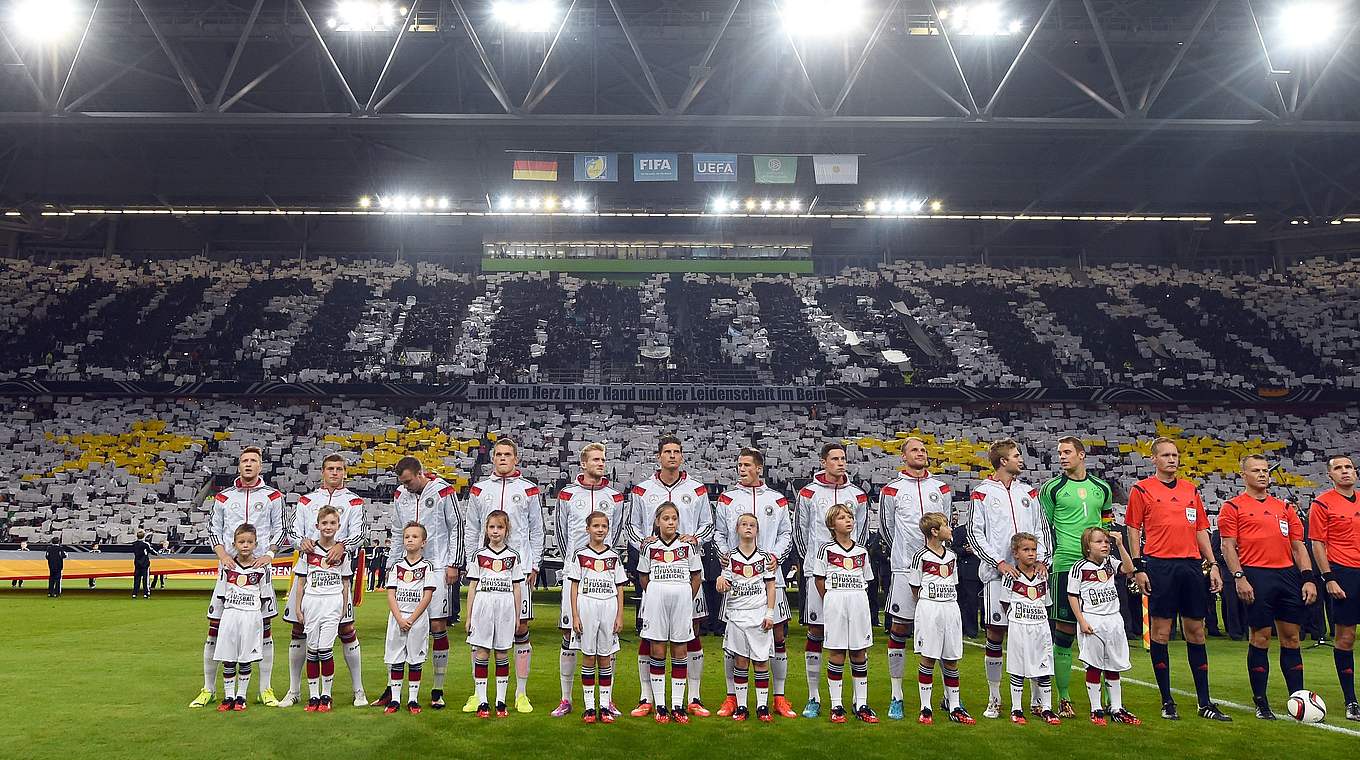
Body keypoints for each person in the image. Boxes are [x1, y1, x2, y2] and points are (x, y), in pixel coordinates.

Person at [1125, 437, 1231, 721]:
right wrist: (1138, 567)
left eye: (1175, 455)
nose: (1172, 459)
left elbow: (1200, 529)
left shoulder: (1190, 490)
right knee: (1161, 632)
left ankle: (1204, 702)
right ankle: (1167, 700)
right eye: (1166, 455)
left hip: (1191, 566)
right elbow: (1133, 529)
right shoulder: (1141, 490)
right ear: (1154, 459)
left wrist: (1213, 563)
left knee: (1196, 631)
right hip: (1159, 565)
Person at [1219, 454, 1318, 720]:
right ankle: (1261, 702)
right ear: (1244, 476)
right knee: (1260, 637)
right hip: (1256, 575)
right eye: (1256, 471)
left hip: (1286, 576)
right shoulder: (1233, 507)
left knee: (1292, 638)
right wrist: (1239, 576)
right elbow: (1228, 545)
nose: (1263, 474)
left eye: (1265, 470)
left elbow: (1299, 546)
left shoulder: (1284, 507)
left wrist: (1308, 577)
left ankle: (1298, 698)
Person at [625, 435, 714, 719]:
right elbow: (631, 527)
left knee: (691, 633)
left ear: (682, 456)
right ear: (659, 456)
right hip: (657, 574)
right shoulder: (642, 490)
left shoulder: (697, 490)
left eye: (677, 452)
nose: (672, 456)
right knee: (650, 635)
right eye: (667, 452)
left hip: (686, 571)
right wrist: (645, 542)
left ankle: (694, 697)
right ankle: (646, 697)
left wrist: (694, 538)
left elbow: (707, 525)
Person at [190, 447, 285, 709]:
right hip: (228, 572)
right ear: (238, 465)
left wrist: (269, 555)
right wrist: (222, 555)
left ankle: (264, 689)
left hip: (258, 573)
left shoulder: (273, 496)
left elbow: (281, 529)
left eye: (253, 461)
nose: (248, 464)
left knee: (264, 631)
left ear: (260, 466)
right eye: (244, 461)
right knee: (215, 630)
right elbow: (213, 530)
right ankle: (208, 688)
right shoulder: (223, 497)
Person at [966, 438, 1052, 719]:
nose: (1020, 459)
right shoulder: (981, 493)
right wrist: (999, 562)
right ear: (1003, 461)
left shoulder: (1030, 492)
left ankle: (1039, 700)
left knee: (1036, 635)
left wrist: (1043, 559)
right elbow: (974, 534)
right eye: (1016, 455)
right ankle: (995, 698)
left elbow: (1043, 530)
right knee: (995, 635)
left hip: (1032, 578)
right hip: (997, 577)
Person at [463, 437, 544, 714]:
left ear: (516, 458)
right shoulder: (479, 489)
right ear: (492, 458)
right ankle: (478, 693)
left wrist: (533, 564)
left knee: (520, 629)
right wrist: (471, 559)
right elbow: (472, 527)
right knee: (479, 631)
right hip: (486, 569)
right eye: (498, 454)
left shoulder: (529, 490)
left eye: (508, 454)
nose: (502, 458)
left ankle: (521, 693)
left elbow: (536, 529)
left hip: (517, 570)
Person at [280, 453, 368, 708]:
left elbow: (360, 533)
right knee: (299, 630)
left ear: (345, 472)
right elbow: (293, 532)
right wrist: (301, 542)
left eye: (339, 469)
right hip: (309, 572)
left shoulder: (354, 501)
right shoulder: (307, 500)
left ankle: (358, 690)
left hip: (338, 574)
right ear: (323, 471)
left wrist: (344, 545)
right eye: (330, 468)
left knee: (347, 630)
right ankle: (294, 690)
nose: (334, 473)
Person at [714, 447, 795, 718]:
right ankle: (731, 697)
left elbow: (787, 533)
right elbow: (719, 534)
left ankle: (779, 697)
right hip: (736, 578)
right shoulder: (727, 498)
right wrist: (726, 561)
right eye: (739, 464)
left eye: (747, 464)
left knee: (778, 635)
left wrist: (775, 557)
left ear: (759, 468)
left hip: (770, 576)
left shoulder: (778, 500)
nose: (742, 469)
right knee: (732, 639)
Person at [1038, 436, 1113, 717]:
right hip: (1065, 564)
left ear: (1082, 455)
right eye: (1059, 453)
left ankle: (1108, 696)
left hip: (1097, 568)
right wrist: (1047, 557)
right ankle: (1065, 697)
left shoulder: (1101, 488)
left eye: (1067, 452)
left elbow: (1107, 525)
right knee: (1065, 631)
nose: (1062, 457)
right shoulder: (1052, 488)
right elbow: (1043, 526)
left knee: (1102, 629)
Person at [878, 436, 952, 720]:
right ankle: (897, 695)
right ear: (903, 456)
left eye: (923, 449)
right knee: (899, 630)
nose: (920, 453)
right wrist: (908, 555)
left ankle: (948, 697)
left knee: (943, 631)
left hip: (939, 570)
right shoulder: (891, 490)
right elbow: (887, 529)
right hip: (903, 568)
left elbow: (946, 524)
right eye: (914, 450)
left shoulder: (941, 488)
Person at [794, 442, 869, 718]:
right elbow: (800, 532)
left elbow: (861, 534)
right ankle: (814, 696)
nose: (841, 463)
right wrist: (813, 565)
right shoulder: (808, 494)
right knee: (816, 632)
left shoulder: (858, 495)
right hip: (819, 573)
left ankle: (857, 699)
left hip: (849, 577)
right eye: (835, 459)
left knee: (855, 640)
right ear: (823, 461)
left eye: (843, 458)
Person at [551, 442, 625, 718]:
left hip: (604, 577)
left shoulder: (615, 497)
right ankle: (566, 698)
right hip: (577, 575)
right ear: (583, 464)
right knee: (570, 636)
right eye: (595, 459)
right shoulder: (567, 495)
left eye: (603, 459)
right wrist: (573, 561)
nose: (601, 463)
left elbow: (615, 535)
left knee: (608, 639)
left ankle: (607, 699)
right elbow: (560, 533)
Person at [385, 456, 464, 710]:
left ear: (421, 473)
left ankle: (437, 689)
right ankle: (393, 689)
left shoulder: (443, 490)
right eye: (403, 483)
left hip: (438, 565)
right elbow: (398, 531)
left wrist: (454, 562)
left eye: (409, 481)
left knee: (438, 624)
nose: (406, 486)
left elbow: (457, 526)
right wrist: (391, 564)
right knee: (401, 624)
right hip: (406, 570)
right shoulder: (400, 494)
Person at [637, 501, 703, 723]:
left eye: (674, 518)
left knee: (680, 649)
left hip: (682, 601)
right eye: (666, 518)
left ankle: (677, 705)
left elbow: (696, 576)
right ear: (657, 522)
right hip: (656, 600)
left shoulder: (688, 546)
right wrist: (657, 593)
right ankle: (660, 706)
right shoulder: (649, 546)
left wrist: (685, 595)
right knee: (656, 649)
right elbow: (643, 577)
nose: (671, 522)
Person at [811, 504, 878, 724]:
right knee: (837, 651)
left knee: (859, 651)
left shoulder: (861, 551)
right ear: (832, 525)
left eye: (849, 516)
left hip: (858, 600)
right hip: (836, 600)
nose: (848, 520)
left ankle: (861, 703)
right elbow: (819, 579)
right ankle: (836, 704)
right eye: (841, 517)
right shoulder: (826, 550)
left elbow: (867, 580)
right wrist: (831, 600)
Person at [1067, 527, 1140, 725]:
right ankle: (1096, 709)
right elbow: (1072, 596)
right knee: (1094, 665)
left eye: (1106, 542)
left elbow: (1129, 568)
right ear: (1087, 547)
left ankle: (1116, 708)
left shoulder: (1110, 563)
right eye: (1099, 542)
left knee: (1114, 664)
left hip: (1113, 620)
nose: (1104, 545)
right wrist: (1082, 621)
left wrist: (1120, 544)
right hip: (1093, 619)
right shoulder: (1079, 568)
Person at [908, 512, 975, 726]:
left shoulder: (952, 556)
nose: (950, 528)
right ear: (935, 531)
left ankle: (954, 705)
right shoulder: (921, 556)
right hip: (930, 608)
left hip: (950, 607)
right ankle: (925, 707)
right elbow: (915, 587)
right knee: (928, 657)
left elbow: (953, 582)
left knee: (951, 658)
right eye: (946, 525)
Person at [1308, 454, 1360, 721]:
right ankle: (1351, 701)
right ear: (1330, 476)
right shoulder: (1322, 503)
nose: (1345, 472)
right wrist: (1328, 578)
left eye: (1348, 467)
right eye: (1338, 468)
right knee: (1346, 638)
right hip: (1343, 573)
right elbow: (1317, 543)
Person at [293, 506, 354, 713]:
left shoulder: (341, 553)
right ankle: (313, 696)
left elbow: (346, 584)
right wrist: (298, 609)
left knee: (325, 648)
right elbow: (300, 583)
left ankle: (326, 695)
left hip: (332, 603)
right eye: (324, 523)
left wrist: (343, 608)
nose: (328, 527)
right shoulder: (308, 552)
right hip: (311, 602)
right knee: (312, 649)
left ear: (338, 526)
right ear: (317, 526)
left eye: (332, 523)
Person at [716, 512, 777, 722]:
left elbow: (770, 586)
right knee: (740, 662)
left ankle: (762, 706)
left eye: (752, 525)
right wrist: (720, 582)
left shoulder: (766, 558)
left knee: (761, 662)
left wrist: (770, 613)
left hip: (759, 616)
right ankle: (741, 706)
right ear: (737, 529)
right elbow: (725, 582)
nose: (748, 528)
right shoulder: (730, 557)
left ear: (757, 530)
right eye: (744, 524)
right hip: (737, 616)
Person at [568, 511, 627, 724]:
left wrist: (620, 615)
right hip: (586, 606)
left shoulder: (613, 557)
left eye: (604, 526)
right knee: (588, 656)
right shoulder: (581, 555)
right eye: (596, 526)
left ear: (608, 529)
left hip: (608, 606)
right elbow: (574, 586)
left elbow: (620, 587)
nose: (600, 529)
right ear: (588, 529)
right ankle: (589, 707)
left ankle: (604, 705)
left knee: (605, 657)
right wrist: (574, 615)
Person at [465, 510, 526, 719]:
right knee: (482, 652)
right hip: (484, 603)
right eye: (492, 527)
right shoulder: (479, 555)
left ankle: (500, 701)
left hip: (505, 605)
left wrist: (518, 616)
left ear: (506, 530)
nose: (495, 531)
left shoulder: (513, 556)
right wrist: (469, 616)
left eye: (499, 527)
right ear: (486, 529)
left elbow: (517, 588)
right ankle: (483, 701)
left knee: (501, 653)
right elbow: (472, 586)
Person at [213, 524, 270, 712]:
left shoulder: (262, 567)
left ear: (255, 544)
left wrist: (258, 619)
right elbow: (221, 594)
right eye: (241, 542)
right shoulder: (227, 565)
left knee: (245, 658)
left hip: (251, 616)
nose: (245, 545)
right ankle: (228, 697)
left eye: (249, 542)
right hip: (230, 614)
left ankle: (241, 697)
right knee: (228, 657)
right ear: (235, 544)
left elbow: (265, 597)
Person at [1003, 533, 1058, 726]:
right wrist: (1017, 618)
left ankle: (1047, 708)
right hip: (1019, 626)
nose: (1031, 554)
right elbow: (1005, 603)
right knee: (1018, 668)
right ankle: (1016, 708)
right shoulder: (1011, 577)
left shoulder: (1043, 575)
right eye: (1026, 550)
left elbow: (1047, 603)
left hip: (1040, 628)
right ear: (1015, 553)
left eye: (1034, 550)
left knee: (1044, 667)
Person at [384, 522, 438, 715]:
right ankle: (396, 699)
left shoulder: (426, 567)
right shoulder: (397, 566)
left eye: (415, 537)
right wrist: (399, 618)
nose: (410, 540)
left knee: (415, 659)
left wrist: (412, 619)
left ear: (423, 542)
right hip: (397, 619)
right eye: (407, 536)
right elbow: (391, 594)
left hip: (417, 620)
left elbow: (427, 596)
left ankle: (413, 700)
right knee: (396, 658)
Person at [131, 530, 155, 598]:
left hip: (137, 563)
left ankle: (135, 593)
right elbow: (151, 550)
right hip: (145, 564)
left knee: (136, 579)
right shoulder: (145, 544)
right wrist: (156, 553)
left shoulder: (134, 544)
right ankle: (146, 593)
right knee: (145, 579)